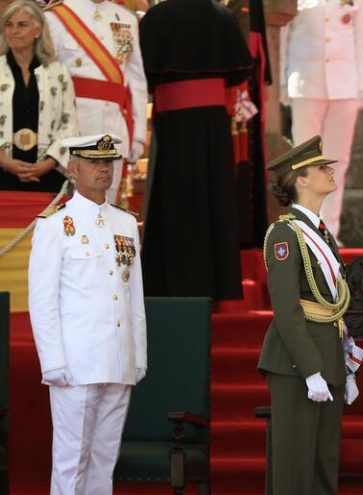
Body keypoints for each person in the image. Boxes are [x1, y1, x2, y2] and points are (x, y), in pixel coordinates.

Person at [28, 133, 147, 495]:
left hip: (117, 359)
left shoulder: (125, 223)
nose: (104, 169)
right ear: (73, 169)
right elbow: (42, 301)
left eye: (108, 162)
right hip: (76, 363)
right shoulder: (54, 225)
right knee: (70, 461)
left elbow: (134, 298)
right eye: (95, 163)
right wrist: (53, 361)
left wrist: (137, 356)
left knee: (103, 460)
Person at [257, 135, 360, 495]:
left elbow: (333, 304)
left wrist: (342, 367)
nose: (330, 172)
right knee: (295, 465)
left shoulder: (321, 234)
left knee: (322, 464)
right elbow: (286, 310)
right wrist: (311, 369)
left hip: (326, 358)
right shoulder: (285, 234)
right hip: (297, 363)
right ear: (300, 180)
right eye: (321, 168)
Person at [138, 0, 252, 301]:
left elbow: (142, 75)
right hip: (214, 126)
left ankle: (173, 283)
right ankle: (218, 285)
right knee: (214, 199)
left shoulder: (158, 16)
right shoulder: (222, 16)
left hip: (175, 124)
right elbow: (238, 73)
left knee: (177, 200)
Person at [280, 0, 363, 241]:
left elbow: (361, 40)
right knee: (304, 158)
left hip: (345, 84)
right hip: (305, 81)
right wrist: (280, 79)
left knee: (338, 160)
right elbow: (282, 36)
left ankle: (330, 228)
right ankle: (305, 225)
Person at [45, 0, 148, 203]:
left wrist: (138, 135)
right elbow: (47, 81)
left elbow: (136, 81)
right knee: (69, 211)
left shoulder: (126, 19)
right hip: (71, 132)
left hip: (114, 131)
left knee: (106, 210)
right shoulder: (56, 17)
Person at [0, 0, 78, 192]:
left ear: (38, 29)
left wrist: (49, 163)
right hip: (2, 172)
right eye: (8, 25)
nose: (13, 31)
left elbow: (69, 124)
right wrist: (4, 161)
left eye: (22, 25)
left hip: (48, 174)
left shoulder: (58, 72)